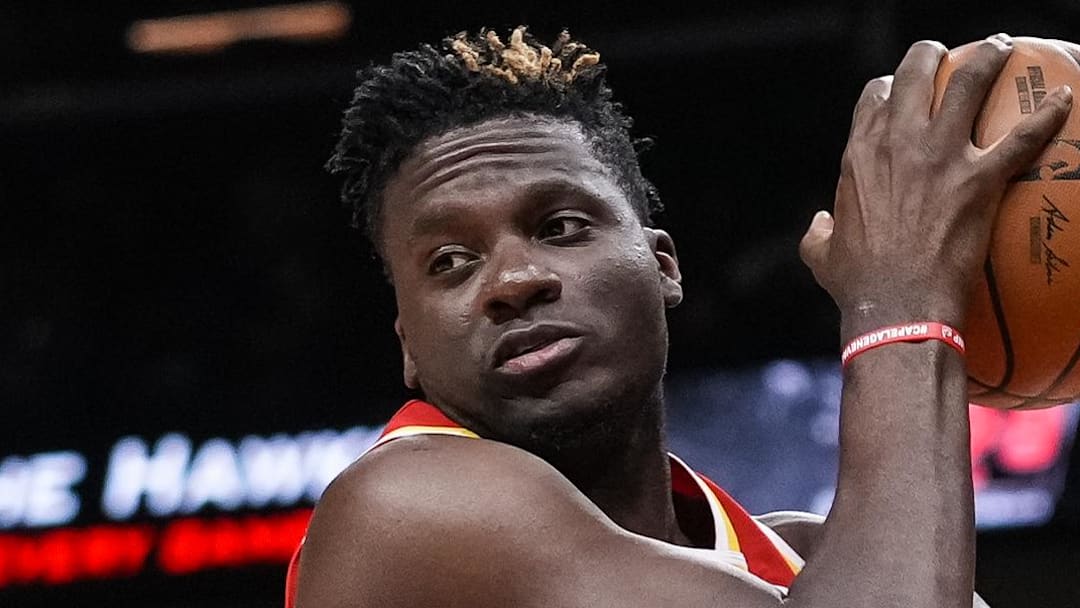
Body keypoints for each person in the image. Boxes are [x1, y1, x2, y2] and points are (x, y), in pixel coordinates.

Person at [288, 26, 1072, 607]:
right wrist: (901, 299)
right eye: (450, 263)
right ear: (409, 347)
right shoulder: (401, 511)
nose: (513, 281)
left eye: (560, 226)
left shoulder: (811, 561)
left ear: (663, 265)